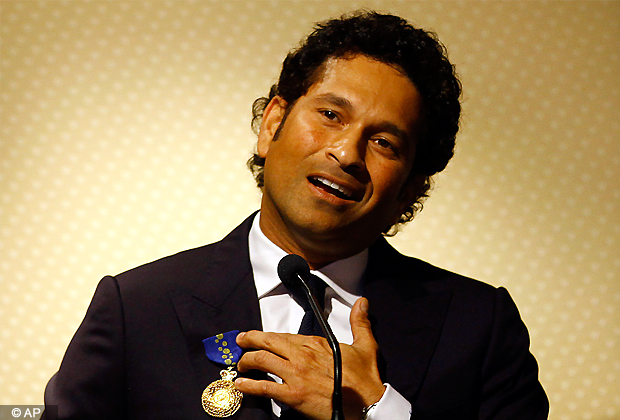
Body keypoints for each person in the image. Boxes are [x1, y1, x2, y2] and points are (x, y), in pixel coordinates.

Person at [43, 11, 548, 420]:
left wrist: (377, 409)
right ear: (272, 124)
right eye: (331, 115)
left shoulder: (479, 326)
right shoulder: (137, 308)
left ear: (412, 187)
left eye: (384, 142)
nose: (347, 153)